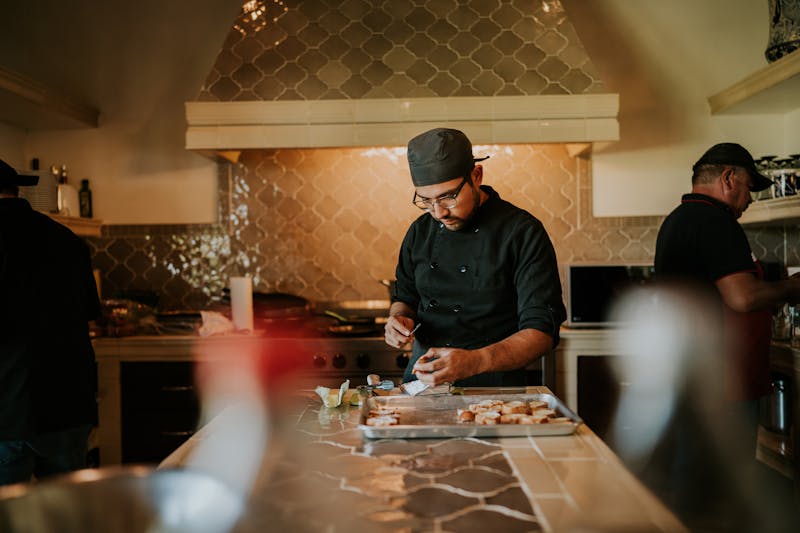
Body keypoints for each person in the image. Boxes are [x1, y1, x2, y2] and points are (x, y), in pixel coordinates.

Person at [652, 143, 800, 529]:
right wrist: (794, 287)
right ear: (728, 178)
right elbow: (743, 296)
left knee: (694, 486)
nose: (750, 199)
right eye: (750, 187)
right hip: (723, 383)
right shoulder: (715, 222)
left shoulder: (679, 219)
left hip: (696, 377)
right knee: (721, 491)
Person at [384, 128, 566, 387]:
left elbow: (542, 333)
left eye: (448, 197)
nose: (439, 213)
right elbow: (405, 298)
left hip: (495, 392)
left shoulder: (522, 232)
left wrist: (476, 361)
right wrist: (397, 320)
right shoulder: (419, 231)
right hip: (422, 387)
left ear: (476, 176)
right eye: (426, 201)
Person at [0, 159, 100, 485]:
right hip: (69, 409)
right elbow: (87, 315)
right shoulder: (68, 241)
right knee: (64, 518)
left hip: (8, 414)